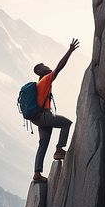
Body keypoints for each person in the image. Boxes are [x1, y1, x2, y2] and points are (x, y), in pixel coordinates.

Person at [31, 38, 79, 183]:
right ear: (40, 71)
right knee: (66, 123)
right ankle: (59, 149)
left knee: (43, 144)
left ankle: (37, 174)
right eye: (43, 66)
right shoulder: (45, 79)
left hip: (39, 119)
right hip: (45, 116)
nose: (46, 66)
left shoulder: (40, 83)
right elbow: (59, 67)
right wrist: (69, 51)